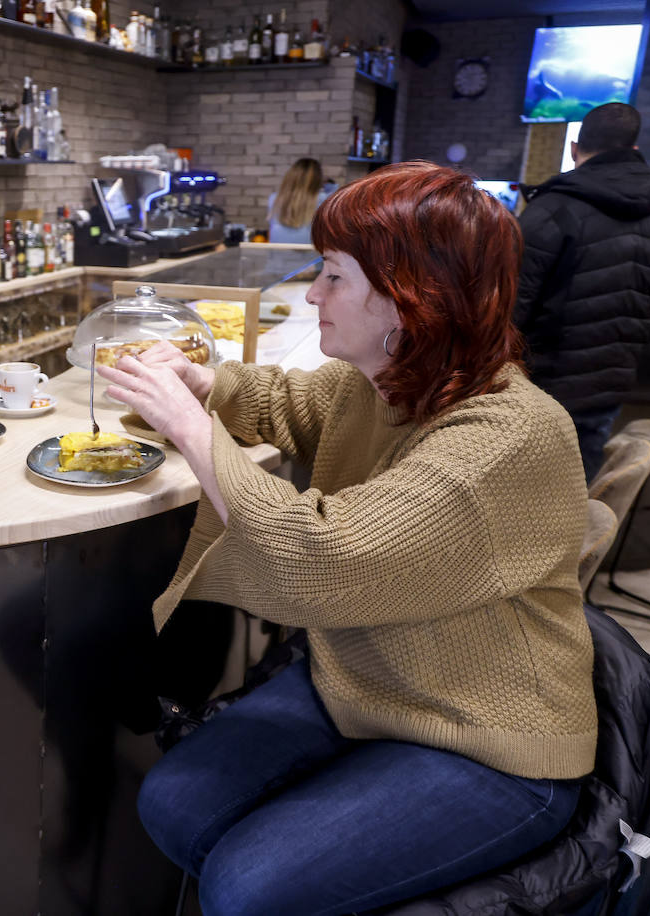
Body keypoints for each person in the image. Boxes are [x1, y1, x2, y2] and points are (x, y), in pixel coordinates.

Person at [99, 161, 597, 915]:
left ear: (408, 300)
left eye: (333, 276)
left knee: (244, 885)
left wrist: (190, 427)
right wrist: (207, 386)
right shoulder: (390, 379)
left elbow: (320, 560)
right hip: (364, 687)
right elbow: (287, 401)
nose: (311, 294)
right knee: (173, 804)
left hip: (487, 740)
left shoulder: (508, 434)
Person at [514, 101, 650, 480]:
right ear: (634, 150)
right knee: (576, 489)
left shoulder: (549, 209)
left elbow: (511, 305)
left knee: (517, 494)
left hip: (538, 384)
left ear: (574, 148)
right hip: (609, 382)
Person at [265, 157, 329, 245]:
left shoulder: (274, 198)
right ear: (317, 180)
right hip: (309, 256)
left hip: (278, 255)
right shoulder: (323, 199)